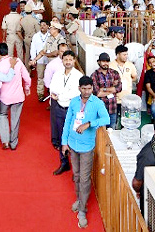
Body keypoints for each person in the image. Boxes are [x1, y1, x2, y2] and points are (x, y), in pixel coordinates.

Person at [62, 75, 110, 228]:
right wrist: (64, 142)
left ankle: (82, 209)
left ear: (92, 88)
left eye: (89, 88)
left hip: (87, 146)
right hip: (72, 143)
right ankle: (79, 199)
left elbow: (106, 119)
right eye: (84, 88)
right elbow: (67, 122)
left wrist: (90, 123)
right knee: (76, 176)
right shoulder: (74, 102)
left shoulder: (97, 103)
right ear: (79, 88)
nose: (87, 91)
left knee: (84, 178)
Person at [48, 50, 84, 174]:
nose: (68, 62)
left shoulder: (78, 76)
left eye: (70, 59)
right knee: (60, 135)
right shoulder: (58, 73)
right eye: (65, 59)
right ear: (62, 60)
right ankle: (64, 162)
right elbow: (53, 87)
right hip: (58, 108)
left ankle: (76, 168)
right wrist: (61, 95)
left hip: (71, 110)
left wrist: (61, 96)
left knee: (73, 136)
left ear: (74, 60)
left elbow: (75, 93)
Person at [0, 43, 31, 150]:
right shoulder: (18, 61)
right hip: (18, 96)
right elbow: (27, 77)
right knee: (15, 119)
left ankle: (5, 141)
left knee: (2, 116)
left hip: (4, 98)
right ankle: (13, 143)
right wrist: (27, 88)